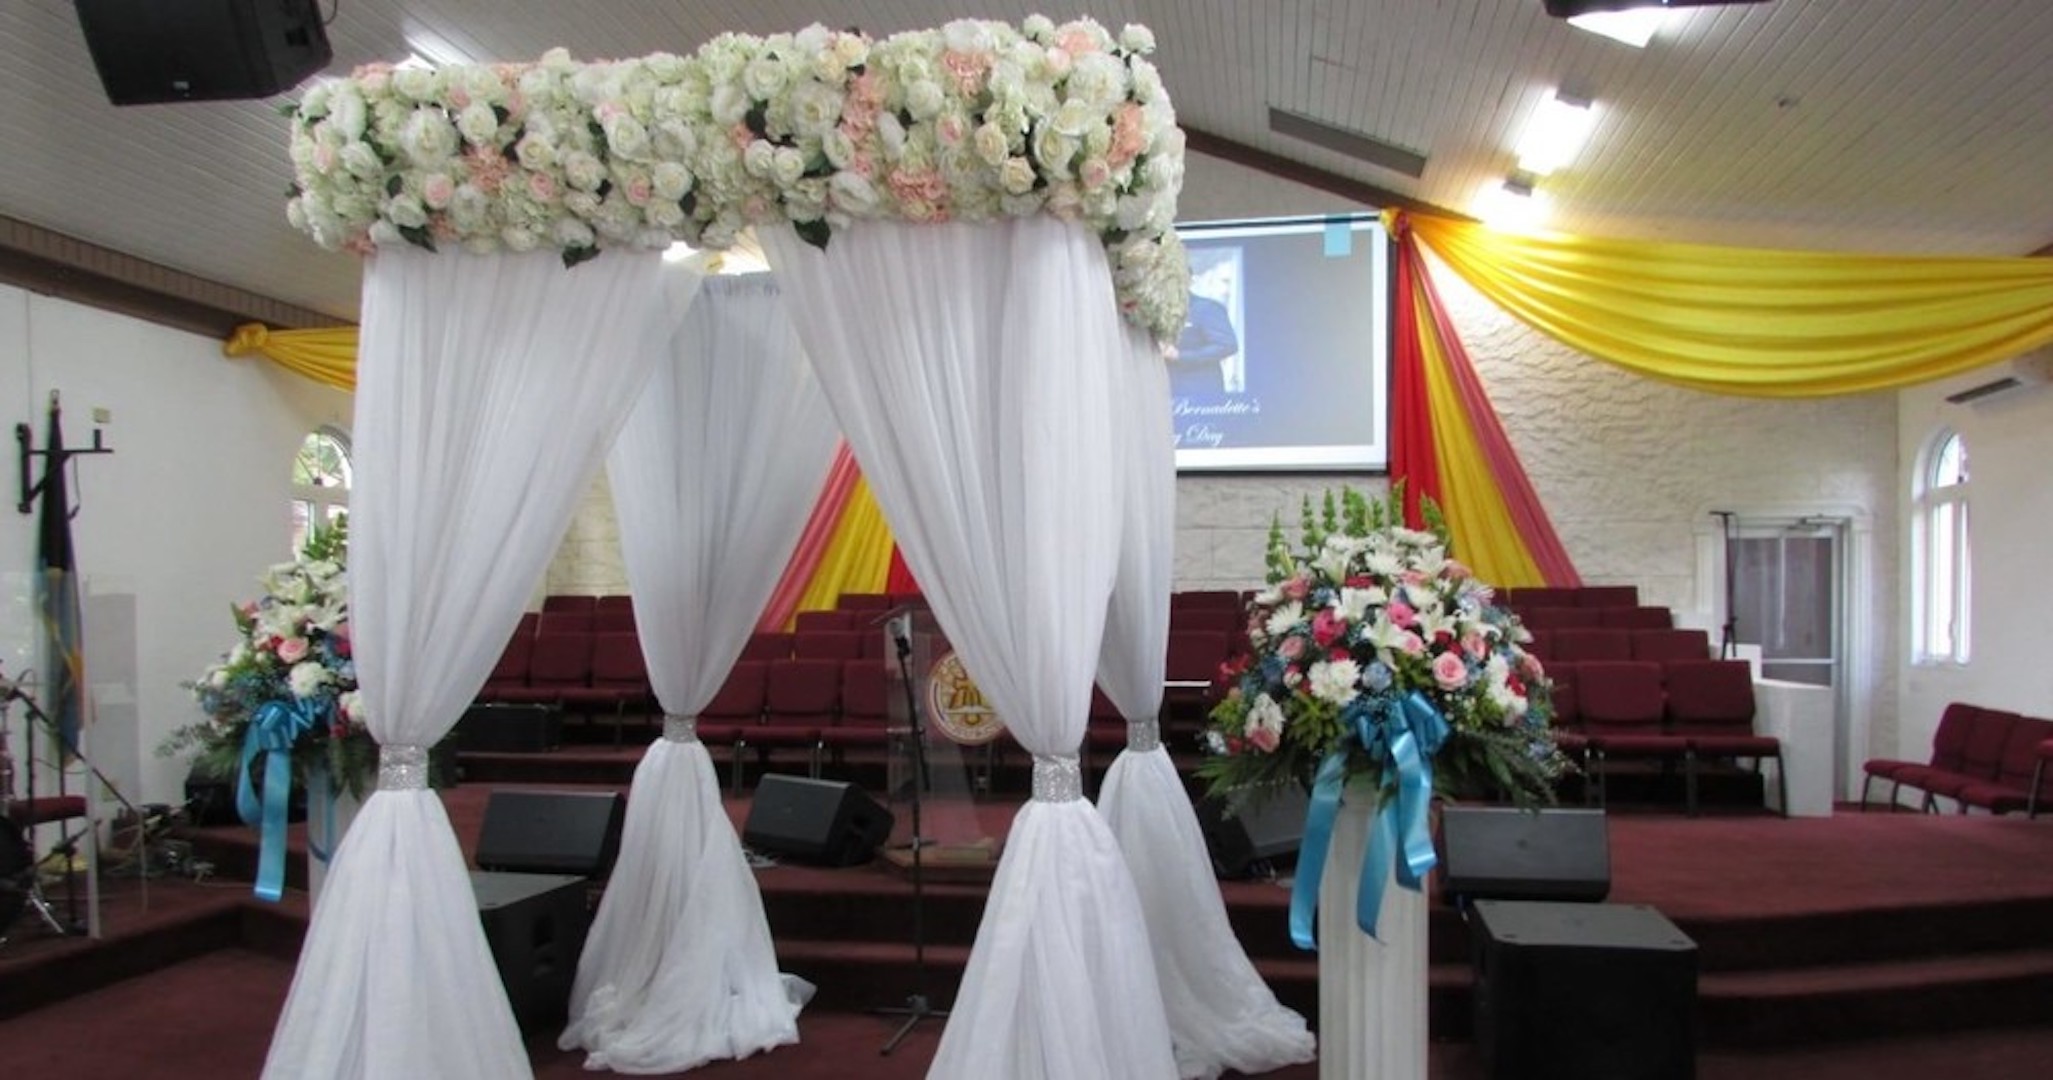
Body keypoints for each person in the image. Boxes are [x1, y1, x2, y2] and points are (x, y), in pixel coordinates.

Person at [1170, 291, 1238, 398]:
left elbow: (1227, 345)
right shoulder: (1151, 310)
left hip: (1198, 394)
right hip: (1159, 389)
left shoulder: (1207, 308)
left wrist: (1180, 355)